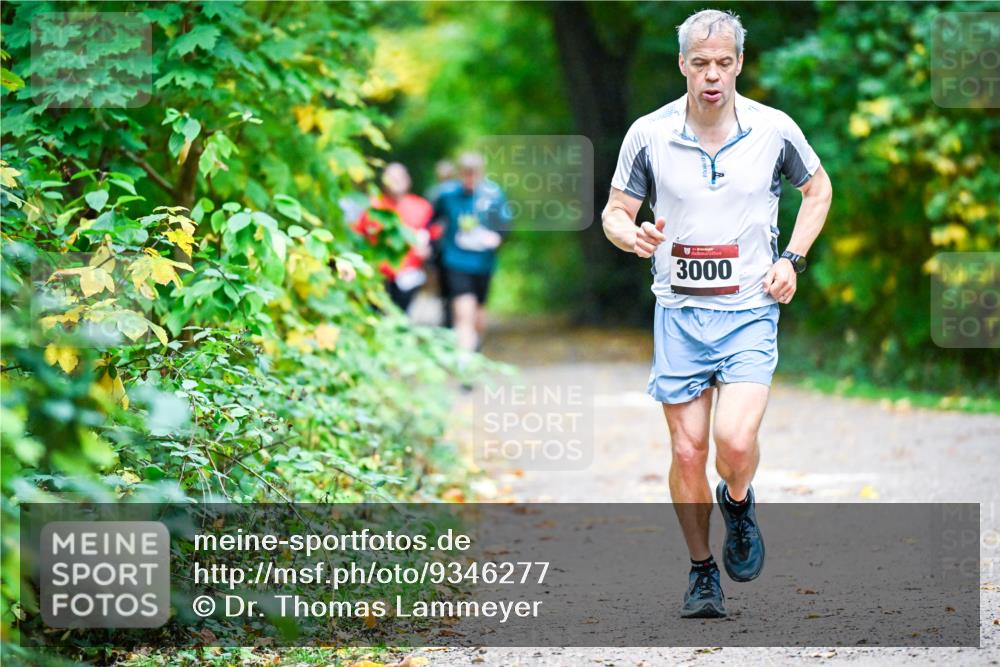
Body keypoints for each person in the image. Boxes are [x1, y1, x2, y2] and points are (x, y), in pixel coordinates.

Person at [601, 9, 833, 619]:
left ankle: (738, 499)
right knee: (685, 452)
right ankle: (703, 572)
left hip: (750, 308)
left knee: (733, 442)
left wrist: (793, 259)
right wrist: (631, 237)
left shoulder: (773, 129)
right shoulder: (648, 134)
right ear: (682, 64)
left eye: (723, 63)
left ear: (738, 64)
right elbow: (614, 211)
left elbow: (819, 190)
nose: (712, 75)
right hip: (678, 311)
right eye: (700, 63)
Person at [433, 152, 510, 352]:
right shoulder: (447, 194)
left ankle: (476, 350)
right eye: (466, 174)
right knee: (463, 312)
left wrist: (497, 238)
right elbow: (431, 219)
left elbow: (505, 226)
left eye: (474, 174)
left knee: (478, 313)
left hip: (483, 263)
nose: (470, 178)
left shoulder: (494, 195)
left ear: (481, 173)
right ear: (460, 173)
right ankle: (465, 361)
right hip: (455, 261)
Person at [354, 162, 434, 312]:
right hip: (378, 276)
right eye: (391, 178)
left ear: (408, 180)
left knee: (400, 317)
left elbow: (431, 236)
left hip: (409, 275)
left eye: (399, 177)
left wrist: (427, 251)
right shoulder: (373, 206)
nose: (396, 181)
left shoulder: (422, 207)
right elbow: (359, 235)